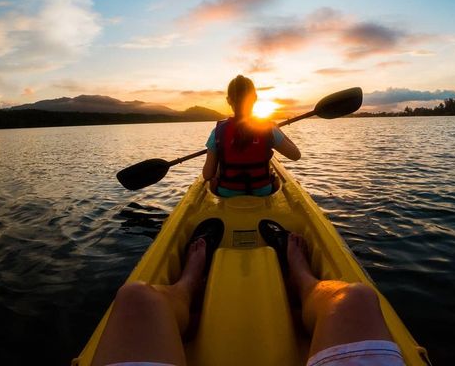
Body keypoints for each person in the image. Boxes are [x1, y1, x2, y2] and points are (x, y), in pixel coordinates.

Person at [91, 230, 405, 366]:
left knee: (135, 297)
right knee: (356, 298)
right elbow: (295, 155)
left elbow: (209, 176)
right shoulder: (268, 132)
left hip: (225, 188)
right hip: (263, 185)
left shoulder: (219, 133)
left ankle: (187, 284)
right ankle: (303, 280)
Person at [203, 75, 301, 197]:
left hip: (227, 193)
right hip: (263, 191)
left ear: (229, 100)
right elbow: (296, 155)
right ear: (254, 98)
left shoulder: (217, 131)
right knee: (273, 180)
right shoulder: (267, 128)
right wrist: (276, 129)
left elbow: (207, 175)